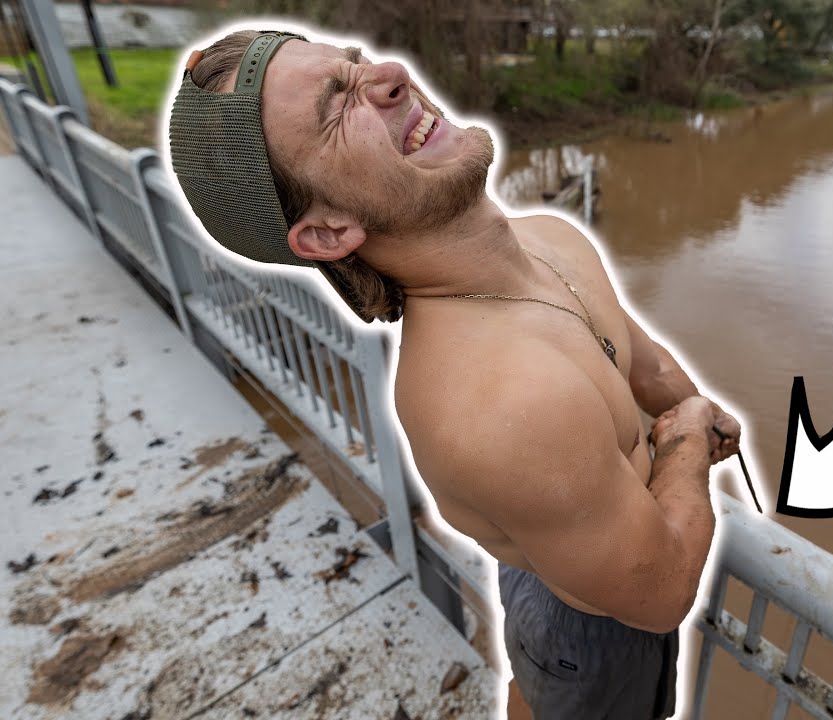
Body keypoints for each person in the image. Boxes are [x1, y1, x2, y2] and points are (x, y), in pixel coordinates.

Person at [167, 27, 742, 719]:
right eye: (337, 105)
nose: (388, 73)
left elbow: (641, 361)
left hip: (580, 529)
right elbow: (663, 590)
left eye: (353, 63)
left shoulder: (550, 237)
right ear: (327, 233)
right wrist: (686, 440)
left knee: (532, 683)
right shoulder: (499, 405)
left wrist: (687, 401)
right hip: (589, 621)